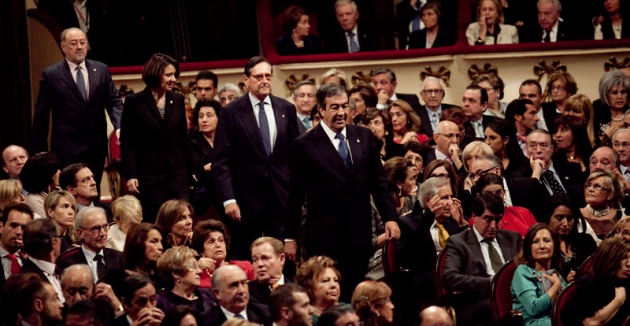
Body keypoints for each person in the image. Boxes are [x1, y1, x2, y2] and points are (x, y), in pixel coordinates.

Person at [286, 83, 401, 301]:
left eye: (344, 106)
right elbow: (295, 195)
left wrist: (390, 218)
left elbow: (378, 182)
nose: (341, 112)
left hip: (360, 234)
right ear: (320, 109)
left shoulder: (363, 136)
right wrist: (290, 236)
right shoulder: (305, 144)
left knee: (357, 295)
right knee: (330, 296)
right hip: (324, 237)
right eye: (334, 107)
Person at [212, 56, 299, 260]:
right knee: (246, 257)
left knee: (280, 257)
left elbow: (296, 154)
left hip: (280, 197)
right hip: (245, 201)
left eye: (268, 75)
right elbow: (221, 160)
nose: (264, 80)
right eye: (258, 76)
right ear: (246, 80)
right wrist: (229, 199)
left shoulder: (286, 109)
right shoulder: (231, 112)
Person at [32, 27, 122, 195]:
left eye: (82, 42)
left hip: (95, 146)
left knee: (92, 191)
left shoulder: (101, 69)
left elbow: (115, 102)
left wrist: (119, 127)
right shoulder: (51, 74)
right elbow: (41, 114)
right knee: (71, 193)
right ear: (63, 47)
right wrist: (41, 151)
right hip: (67, 147)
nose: (79, 47)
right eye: (73, 43)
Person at [120, 53, 191, 222]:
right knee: (157, 222)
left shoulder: (178, 99)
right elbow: (127, 142)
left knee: (182, 220)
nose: (173, 79)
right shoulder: (134, 102)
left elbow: (183, 138)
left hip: (177, 175)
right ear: (155, 74)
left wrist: (190, 171)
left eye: (174, 74)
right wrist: (131, 175)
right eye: (168, 75)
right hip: (150, 177)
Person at [441, 192, 521, 326]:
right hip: (480, 302)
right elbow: (449, 276)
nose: (494, 226)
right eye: (488, 219)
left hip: (517, 296)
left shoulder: (513, 239)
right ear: (475, 217)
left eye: (498, 219)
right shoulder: (459, 242)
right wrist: (493, 283)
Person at [561, 237, 630, 325]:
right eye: (624, 258)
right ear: (610, 258)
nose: (629, 264)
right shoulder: (588, 285)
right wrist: (618, 301)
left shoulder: (626, 282)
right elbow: (590, 323)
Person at [511, 223, 567, 326]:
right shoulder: (522, 271)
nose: (542, 246)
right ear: (529, 248)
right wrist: (555, 287)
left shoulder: (554, 273)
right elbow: (534, 308)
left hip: (555, 319)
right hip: (533, 322)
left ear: (554, 246)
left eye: (547, 240)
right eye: (536, 242)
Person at [56, 207, 122, 280]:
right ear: (80, 233)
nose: (103, 233)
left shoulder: (119, 258)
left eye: (105, 227)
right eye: (96, 228)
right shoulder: (66, 262)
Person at [155, 246, 216, 322]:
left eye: (198, 266)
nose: (199, 271)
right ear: (176, 273)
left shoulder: (207, 294)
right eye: (193, 266)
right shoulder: (161, 302)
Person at [190, 219, 254, 288]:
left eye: (221, 240)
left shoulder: (245, 267)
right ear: (201, 250)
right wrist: (196, 267)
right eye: (211, 242)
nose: (218, 245)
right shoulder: (197, 276)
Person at [547, 194, 597, 281]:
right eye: (559, 218)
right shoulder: (544, 247)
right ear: (548, 218)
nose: (565, 224)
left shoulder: (586, 241)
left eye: (570, 218)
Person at [527, 129, 585, 202]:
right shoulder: (520, 177)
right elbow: (529, 203)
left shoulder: (572, 169)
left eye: (543, 145)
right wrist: (536, 174)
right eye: (533, 146)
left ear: (552, 149)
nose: (538, 150)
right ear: (527, 150)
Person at [189, 99, 221, 220]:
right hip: (203, 202)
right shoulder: (192, 143)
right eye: (200, 116)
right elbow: (198, 175)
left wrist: (210, 166)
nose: (204, 120)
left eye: (209, 115)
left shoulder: (226, 142)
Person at [21, 218, 65, 303]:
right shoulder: (29, 281)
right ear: (53, 242)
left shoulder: (60, 268)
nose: (61, 241)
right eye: (60, 237)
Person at [116, 223, 164, 291]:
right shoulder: (122, 279)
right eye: (154, 241)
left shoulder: (161, 275)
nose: (161, 247)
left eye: (161, 242)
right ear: (138, 244)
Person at [295, 256, 342, 324]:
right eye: (325, 281)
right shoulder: (304, 320)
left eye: (336, 280)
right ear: (309, 286)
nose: (334, 285)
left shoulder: (348, 311)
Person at [581, 169, 624, 238]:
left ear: (610, 194)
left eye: (597, 186)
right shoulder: (577, 217)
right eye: (588, 185)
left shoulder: (621, 218)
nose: (590, 189)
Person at [249, 237, 289, 305]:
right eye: (255, 260)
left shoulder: (299, 288)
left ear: (281, 259)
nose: (259, 264)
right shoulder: (247, 293)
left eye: (265, 258)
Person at [20, 152, 61, 219]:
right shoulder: (33, 200)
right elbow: (46, 226)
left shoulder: (57, 190)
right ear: (47, 175)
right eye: (56, 170)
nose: (59, 172)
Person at [0, 203, 33, 287]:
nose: (18, 232)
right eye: (13, 225)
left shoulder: (30, 259)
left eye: (24, 228)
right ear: (1, 227)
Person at [594, 70, 630, 143]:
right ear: (606, 95)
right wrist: (605, 138)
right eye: (614, 93)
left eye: (623, 92)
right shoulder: (597, 113)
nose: (620, 97)